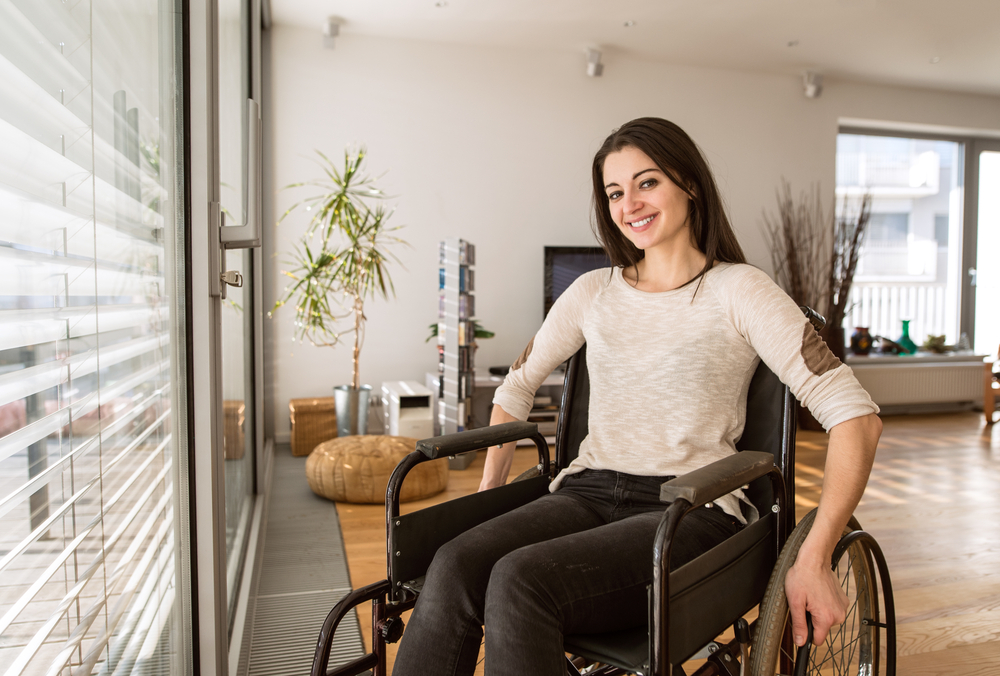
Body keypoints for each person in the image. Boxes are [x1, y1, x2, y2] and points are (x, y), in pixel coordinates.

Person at [393, 117, 881, 676]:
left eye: (647, 183)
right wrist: (488, 496)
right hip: (585, 492)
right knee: (454, 561)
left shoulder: (739, 290)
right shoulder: (592, 292)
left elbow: (856, 418)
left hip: (687, 510)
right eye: (615, 192)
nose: (630, 204)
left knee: (518, 581)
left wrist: (814, 555)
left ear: (689, 185)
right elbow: (516, 386)